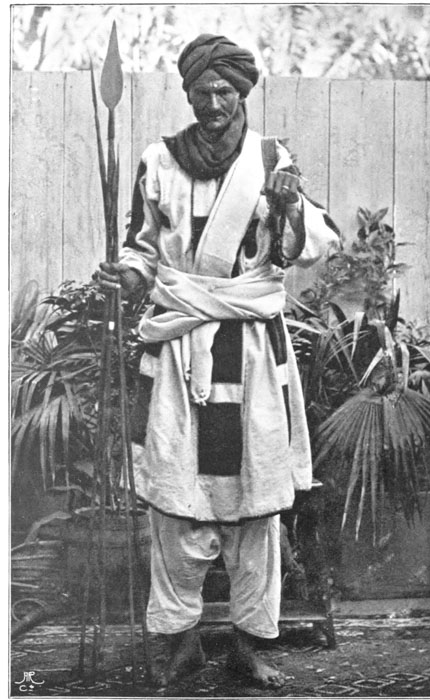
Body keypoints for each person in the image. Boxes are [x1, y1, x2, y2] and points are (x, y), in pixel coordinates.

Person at [96, 33, 340, 688]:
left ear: (241, 93)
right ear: (189, 93)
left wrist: (288, 202)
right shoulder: (158, 161)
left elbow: (303, 249)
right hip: (179, 348)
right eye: (202, 91)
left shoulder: (271, 160)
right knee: (176, 504)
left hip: (251, 351)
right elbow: (142, 249)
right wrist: (126, 275)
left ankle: (248, 646)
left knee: (256, 509)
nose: (212, 103)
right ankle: (178, 647)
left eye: (224, 91)